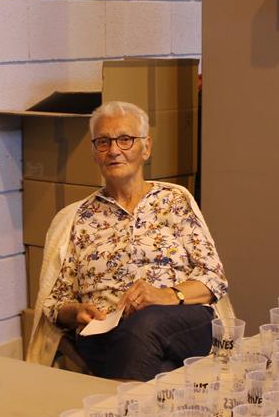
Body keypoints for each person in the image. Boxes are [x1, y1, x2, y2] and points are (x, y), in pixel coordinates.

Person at [27, 101, 230, 381]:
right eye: (103, 142)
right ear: (94, 154)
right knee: (159, 368)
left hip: (182, 321)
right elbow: (55, 303)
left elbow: (213, 279)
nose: (114, 150)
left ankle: (125, 413)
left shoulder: (174, 201)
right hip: (106, 333)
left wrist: (166, 296)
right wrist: (76, 312)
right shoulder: (78, 218)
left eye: (125, 140)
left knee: (146, 323)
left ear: (146, 147)